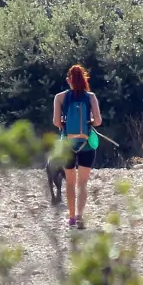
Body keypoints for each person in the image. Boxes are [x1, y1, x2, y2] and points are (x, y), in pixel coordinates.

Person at [51, 64, 102, 228]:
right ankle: (80, 215)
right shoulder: (91, 97)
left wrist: (65, 123)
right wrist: (90, 122)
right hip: (86, 145)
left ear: (68, 80)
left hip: (67, 145)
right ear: (84, 80)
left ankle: (71, 218)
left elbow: (56, 122)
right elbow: (99, 121)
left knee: (71, 183)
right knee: (82, 184)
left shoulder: (60, 97)